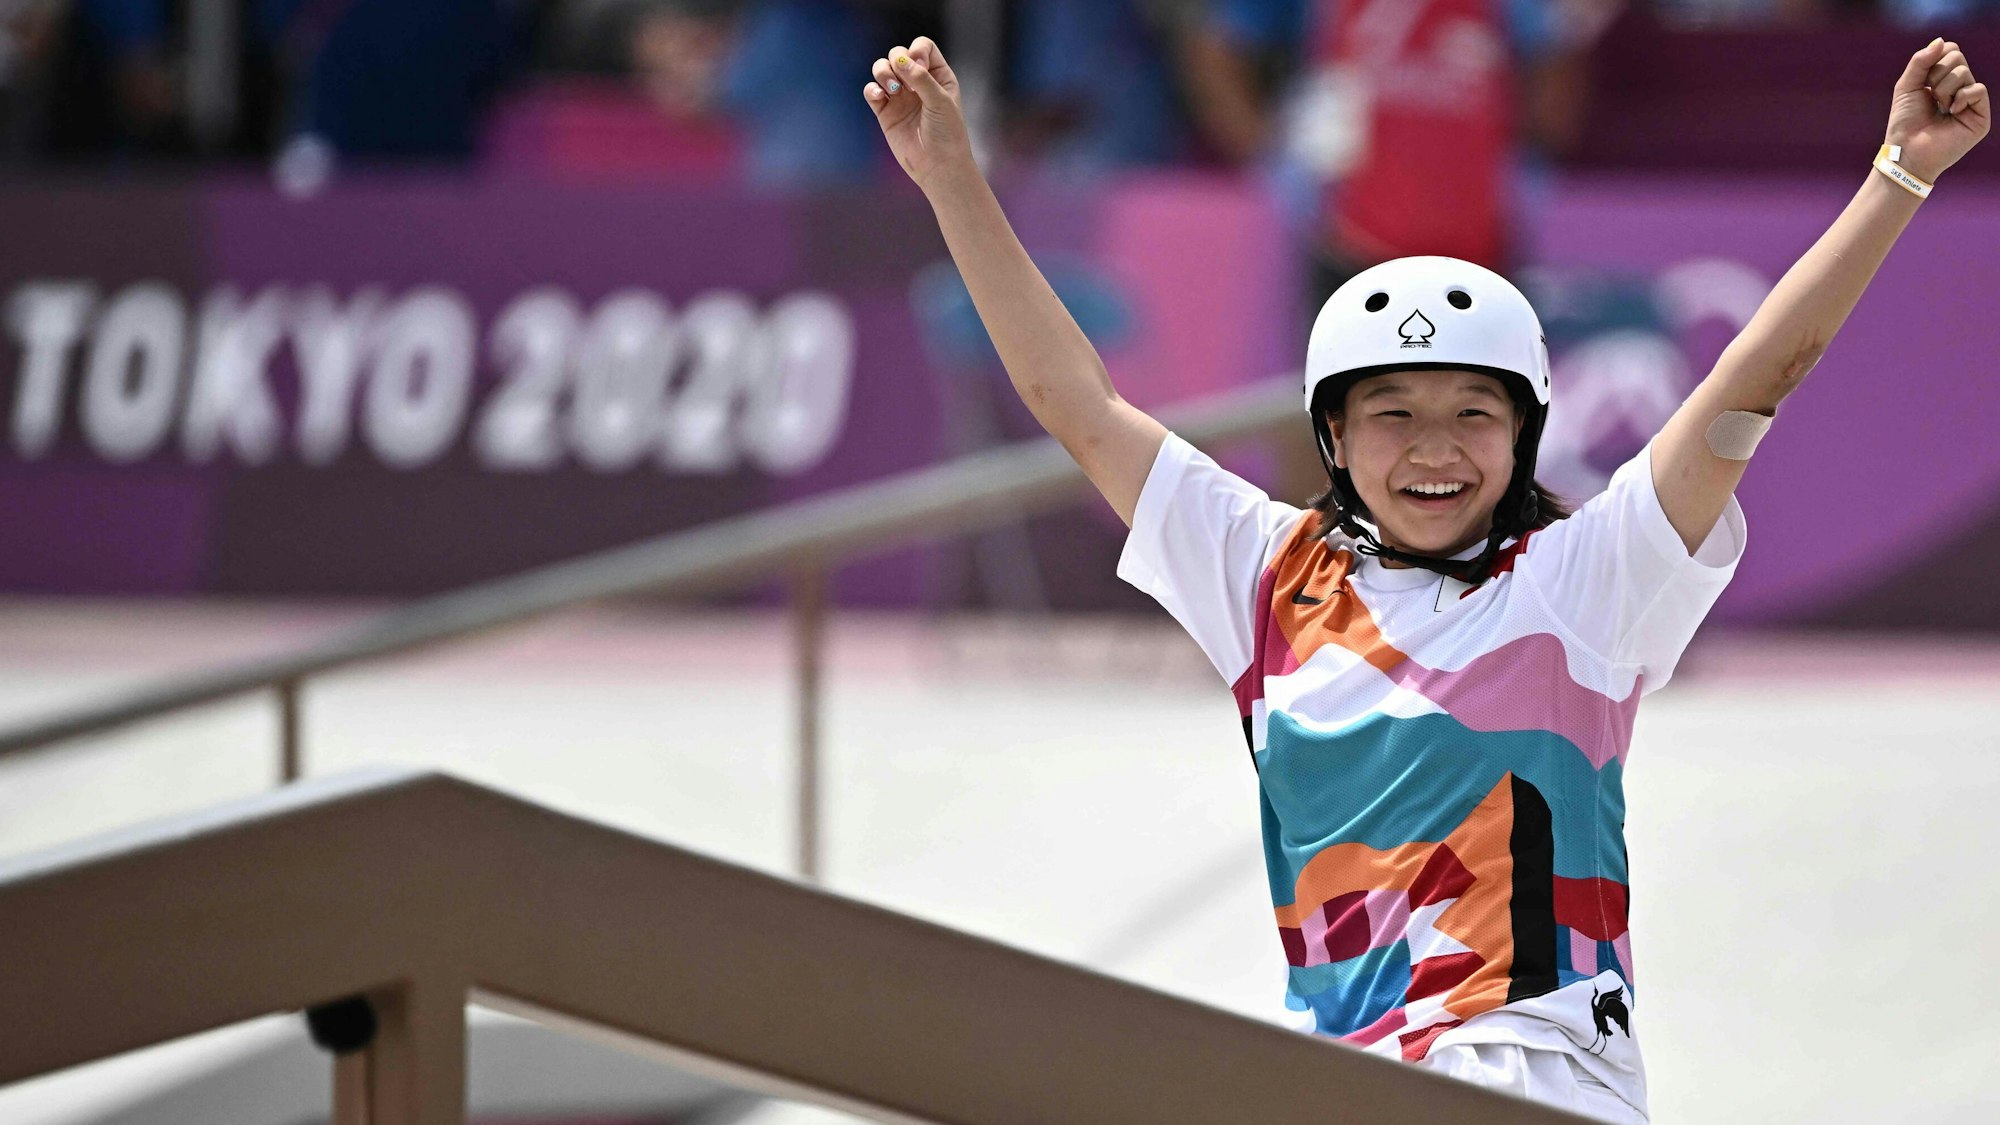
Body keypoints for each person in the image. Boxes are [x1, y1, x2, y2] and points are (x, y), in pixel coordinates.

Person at [861, 34, 1986, 1122]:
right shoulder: (1260, 574)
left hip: (1540, 1079)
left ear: (1523, 435)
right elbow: (1079, 406)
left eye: (1470, 414)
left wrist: (1898, 173)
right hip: (1339, 1085)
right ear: (1334, 443)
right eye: (1391, 414)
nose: (1432, 449)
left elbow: (1757, 376)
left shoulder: (1588, 579)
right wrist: (952, 175)